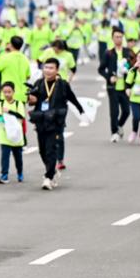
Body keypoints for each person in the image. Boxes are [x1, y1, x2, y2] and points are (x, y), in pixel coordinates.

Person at [28, 58, 84, 191]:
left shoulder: (63, 85)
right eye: (46, 67)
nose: (48, 70)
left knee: (51, 149)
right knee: (42, 150)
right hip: (41, 121)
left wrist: (81, 110)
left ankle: (48, 177)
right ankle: (51, 170)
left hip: (56, 122)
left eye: (51, 68)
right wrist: (30, 99)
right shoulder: (39, 83)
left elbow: (72, 98)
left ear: (57, 70)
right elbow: (32, 102)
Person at [98, 27, 135, 143]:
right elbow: (101, 69)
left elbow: (134, 67)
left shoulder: (128, 52)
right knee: (114, 112)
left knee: (126, 111)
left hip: (125, 87)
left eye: (120, 37)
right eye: (116, 37)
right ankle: (114, 133)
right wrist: (109, 77)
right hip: (112, 87)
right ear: (112, 38)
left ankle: (119, 125)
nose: (118, 39)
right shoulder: (109, 53)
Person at [0, 82, 26, 184]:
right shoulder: (0, 104)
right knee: (5, 156)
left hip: (16, 135)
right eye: (4, 92)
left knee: (18, 157)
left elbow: (21, 116)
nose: (7, 94)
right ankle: (4, 175)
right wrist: (1, 118)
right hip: (4, 135)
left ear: (13, 92)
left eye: (9, 92)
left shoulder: (18, 104)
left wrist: (9, 112)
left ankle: (20, 172)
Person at [0, 36, 31, 103]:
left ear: (10, 45)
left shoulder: (5, 57)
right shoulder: (25, 59)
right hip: (22, 96)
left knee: (3, 113)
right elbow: (28, 76)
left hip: (8, 95)